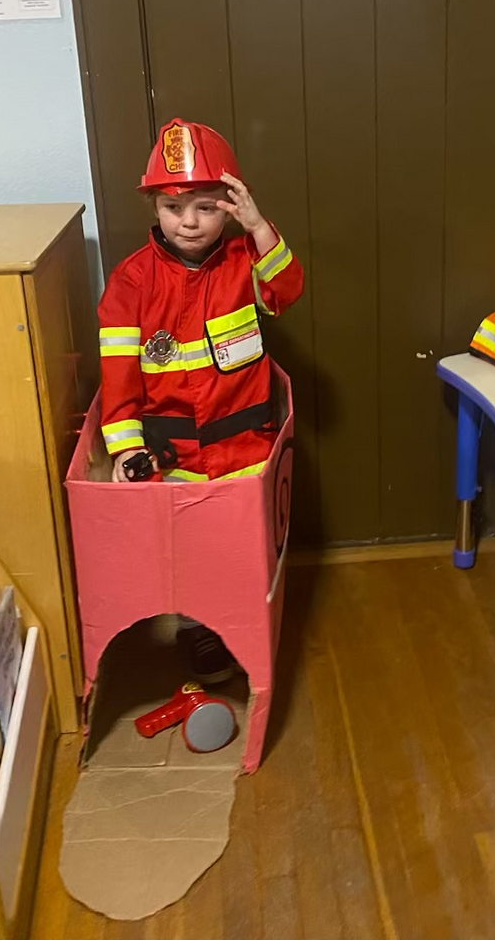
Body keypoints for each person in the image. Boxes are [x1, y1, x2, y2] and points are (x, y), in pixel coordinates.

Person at [96, 118, 304, 680]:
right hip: (175, 458)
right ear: (154, 207)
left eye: (206, 207)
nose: (188, 221)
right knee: (189, 557)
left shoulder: (245, 260)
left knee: (244, 550)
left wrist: (259, 228)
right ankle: (200, 633)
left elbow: (285, 291)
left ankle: (250, 628)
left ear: (230, 208)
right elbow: (118, 381)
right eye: (172, 206)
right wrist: (125, 449)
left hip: (247, 449)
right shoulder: (130, 283)